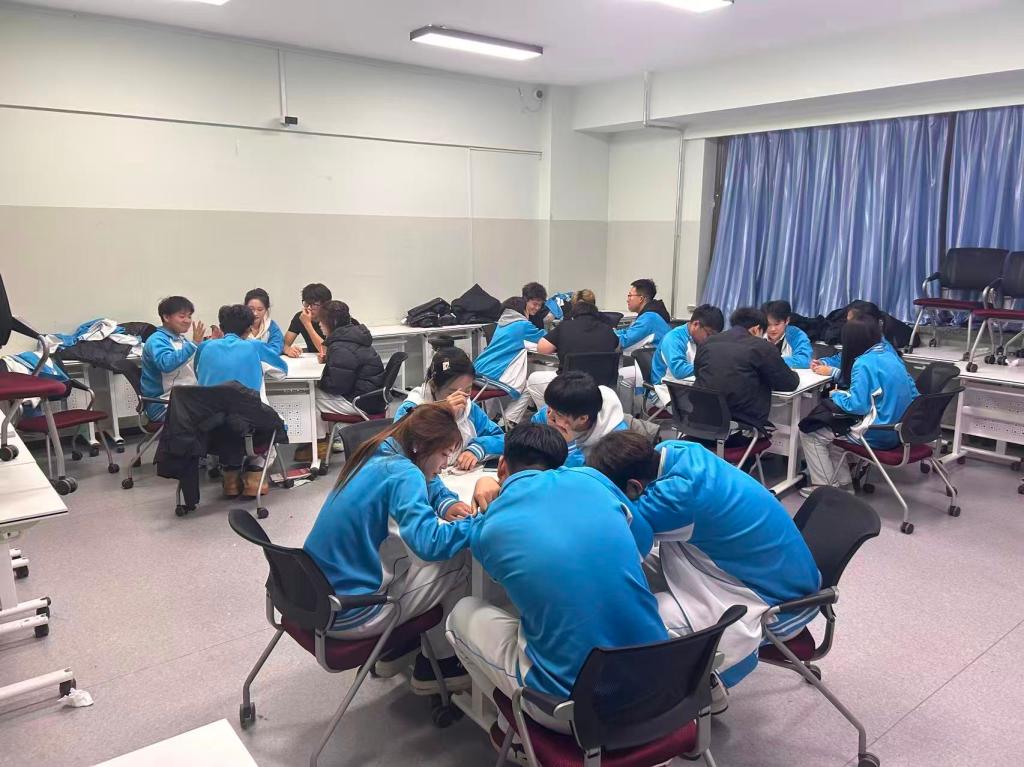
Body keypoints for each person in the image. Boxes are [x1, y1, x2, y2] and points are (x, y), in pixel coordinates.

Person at [446, 423, 669, 742]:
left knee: (463, 613)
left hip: (573, 710)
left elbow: (501, 576)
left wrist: (487, 492)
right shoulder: (594, 482)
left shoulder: (489, 528)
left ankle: (517, 731)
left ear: (503, 466)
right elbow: (643, 542)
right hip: (663, 685)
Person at [586, 431, 821, 693]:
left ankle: (705, 694)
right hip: (773, 568)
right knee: (635, 577)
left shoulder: (677, 498)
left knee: (635, 619)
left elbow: (613, 537)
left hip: (773, 598)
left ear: (634, 487)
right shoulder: (675, 450)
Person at [304, 403, 477, 695]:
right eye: (444, 454)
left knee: (411, 561)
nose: (445, 464)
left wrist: (445, 502)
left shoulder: (378, 450)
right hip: (350, 612)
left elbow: (428, 477)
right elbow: (431, 543)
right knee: (459, 558)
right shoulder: (405, 474)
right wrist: (482, 523)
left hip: (315, 596)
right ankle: (440, 665)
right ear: (420, 447)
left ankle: (399, 647)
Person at [799, 318, 919, 496]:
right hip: (900, 430)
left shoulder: (863, 363)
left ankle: (824, 489)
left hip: (878, 432)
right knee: (834, 437)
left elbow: (857, 406)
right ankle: (845, 487)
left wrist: (836, 394)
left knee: (811, 433)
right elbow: (913, 392)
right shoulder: (890, 355)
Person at [193, 304, 288, 497]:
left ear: (221, 327)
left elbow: (197, 373)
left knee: (231, 421)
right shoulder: (254, 346)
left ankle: (231, 476)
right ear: (249, 328)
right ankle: (255, 474)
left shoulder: (203, 347)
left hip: (210, 429)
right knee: (274, 422)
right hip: (249, 427)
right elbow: (281, 371)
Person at [298, 300, 386, 463]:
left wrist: (320, 381)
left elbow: (337, 386)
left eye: (321, 322)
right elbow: (345, 370)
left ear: (331, 323)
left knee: (309, 397)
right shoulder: (353, 336)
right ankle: (323, 441)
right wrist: (329, 362)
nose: (320, 326)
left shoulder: (341, 346)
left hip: (361, 402)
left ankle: (319, 446)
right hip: (372, 397)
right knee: (312, 392)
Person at [394, 348, 504, 471]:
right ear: (433, 386)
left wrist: (478, 449)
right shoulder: (412, 408)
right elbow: (396, 449)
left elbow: (503, 439)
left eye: (467, 391)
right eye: (452, 393)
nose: (460, 398)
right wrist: (439, 413)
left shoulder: (469, 409)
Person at [694, 307, 799, 432]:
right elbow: (789, 383)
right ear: (756, 329)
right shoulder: (762, 347)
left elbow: (698, 373)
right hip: (741, 426)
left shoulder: (707, 342)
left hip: (700, 422)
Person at [525, 289, 620, 410]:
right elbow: (616, 346)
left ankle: (553, 416)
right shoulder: (607, 328)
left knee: (533, 380)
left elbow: (542, 348)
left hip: (571, 385)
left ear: (574, 307)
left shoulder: (565, 326)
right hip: (602, 385)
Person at [472, 297, 546, 426]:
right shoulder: (522, 325)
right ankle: (507, 422)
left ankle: (495, 417)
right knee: (530, 385)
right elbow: (545, 339)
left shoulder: (502, 324)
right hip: (493, 375)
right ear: (523, 309)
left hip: (478, 371)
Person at [531, 370, 627, 467]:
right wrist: (547, 433)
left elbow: (576, 475)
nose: (549, 415)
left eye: (558, 414)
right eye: (550, 407)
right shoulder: (560, 407)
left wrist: (565, 445)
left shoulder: (613, 444)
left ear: (582, 419)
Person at [141, 295, 204, 422]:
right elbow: (166, 364)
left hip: (185, 398)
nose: (187, 321)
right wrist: (193, 344)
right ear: (166, 317)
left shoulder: (181, 339)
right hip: (164, 404)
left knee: (225, 407)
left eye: (189, 316)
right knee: (218, 416)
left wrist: (211, 344)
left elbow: (193, 363)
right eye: (182, 316)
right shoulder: (157, 340)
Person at [650, 303, 724, 407]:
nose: (710, 339)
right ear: (696, 324)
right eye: (708, 334)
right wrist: (708, 368)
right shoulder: (673, 338)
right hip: (666, 392)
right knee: (712, 409)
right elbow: (679, 371)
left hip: (688, 387)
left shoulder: (701, 340)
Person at [812, 300, 900, 382]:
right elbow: (842, 359)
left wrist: (833, 372)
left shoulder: (883, 352)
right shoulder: (862, 343)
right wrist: (823, 362)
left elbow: (865, 382)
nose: (847, 327)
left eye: (851, 323)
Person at [616, 278, 672, 353]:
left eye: (630, 295)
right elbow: (627, 332)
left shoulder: (649, 319)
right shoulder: (650, 314)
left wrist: (605, 335)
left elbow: (623, 343)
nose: (627, 300)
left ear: (641, 299)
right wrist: (610, 332)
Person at [283, 283, 332, 358]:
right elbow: (283, 344)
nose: (309, 307)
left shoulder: (334, 318)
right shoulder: (300, 317)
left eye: (314, 304)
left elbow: (327, 351)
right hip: (311, 359)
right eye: (306, 303)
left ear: (325, 305)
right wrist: (287, 349)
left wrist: (307, 324)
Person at [762, 300, 812, 369]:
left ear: (787, 320)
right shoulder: (758, 333)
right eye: (768, 324)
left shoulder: (796, 335)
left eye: (777, 324)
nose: (772, 329)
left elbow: (805, 360)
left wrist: (774, 361)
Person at [244, 288, 285, 355]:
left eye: (260, 310)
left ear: (266, 310)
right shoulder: (237, 325)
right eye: (251, 309)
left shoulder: (271, 326)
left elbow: (277, 347)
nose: (255, 313)